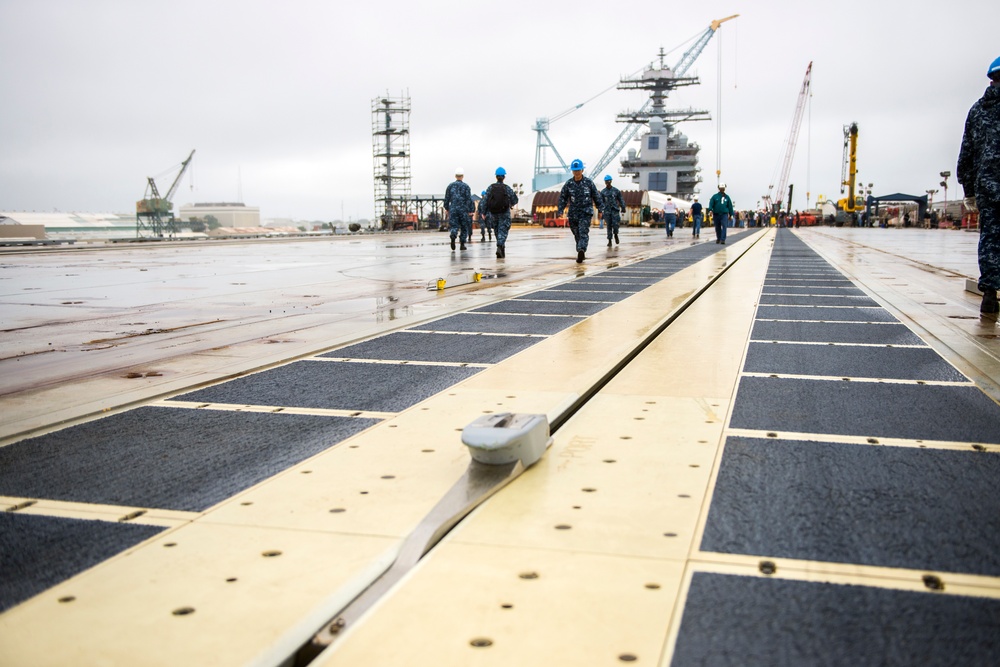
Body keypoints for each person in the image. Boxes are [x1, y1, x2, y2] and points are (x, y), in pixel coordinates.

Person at [958, 55, 1000, 314]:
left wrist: (969, 190)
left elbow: (966, 154)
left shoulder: (977, 110)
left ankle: (989, 295)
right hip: (988, 187)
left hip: (988, 187)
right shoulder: (977, 110)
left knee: (991, 240)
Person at [558, 158, 602, 263]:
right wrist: (560, 210)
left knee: (583, 232)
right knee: (576, 233)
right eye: (575, 170)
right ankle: (580, 249)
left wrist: (600, 209)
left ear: (582, 170)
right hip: (573, 213)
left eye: (578, 170)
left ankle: (581, 250)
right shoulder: (568, 184)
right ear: (572, 171)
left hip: (585, 212)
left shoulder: (589, 183)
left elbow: (596, 197)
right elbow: (563, 198)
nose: (576, 172)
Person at [483, 167, 518, 258]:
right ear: (504, 177)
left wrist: (483, 212)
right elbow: (515, 199)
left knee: (497, 230)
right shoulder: (507, 188)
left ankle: (500, 247)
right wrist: (510, 204)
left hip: (493, 213)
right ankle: (500, 246)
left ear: (496, 177)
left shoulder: (490, 188)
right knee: (503, 230)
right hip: (504, 212)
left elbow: (485, 201)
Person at [444, 167, 474, 251]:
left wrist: (447, 208)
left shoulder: (450, 186)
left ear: (455, 176)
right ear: (462, 176)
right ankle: (462, 244)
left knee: (454, 225)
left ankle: (453, 237)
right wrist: (471, 210)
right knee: (464, 227)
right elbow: (469, 199)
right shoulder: (466, 187)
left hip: (453, 209)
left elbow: (447, 198)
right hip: (463, 210)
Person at [599, 175, 626, 247]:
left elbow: (621, 199)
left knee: (615, 225)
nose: (608, 182)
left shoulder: (616, 191)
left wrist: (623, 207)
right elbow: (600, 202)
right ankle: (609, 240)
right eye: (606, 181)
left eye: (609, 181)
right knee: (609, 226)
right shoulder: (603, 192)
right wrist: (600, 211)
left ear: (611, 181)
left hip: (615, 211)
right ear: (605, 182)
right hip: (607, 211)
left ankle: (616, 234)